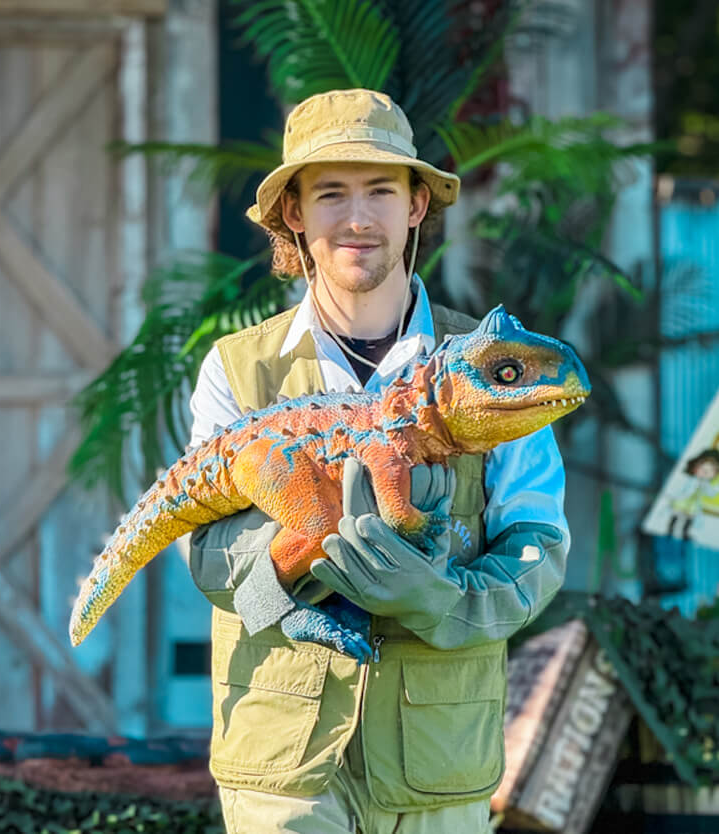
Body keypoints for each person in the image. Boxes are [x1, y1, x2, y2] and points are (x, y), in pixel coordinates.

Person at [188, 89, 570, 834]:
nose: (357, 218)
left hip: (438, 767)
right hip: (283, 772)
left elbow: (538, 552)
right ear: (294, 214)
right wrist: (305, 548)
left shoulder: (496, 372)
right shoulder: (238, 370)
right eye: (330, 193)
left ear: (417, 205)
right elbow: (208, 556)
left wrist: (438, 596)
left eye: (380, 191)